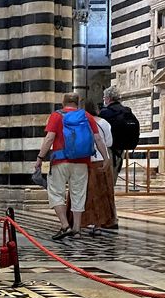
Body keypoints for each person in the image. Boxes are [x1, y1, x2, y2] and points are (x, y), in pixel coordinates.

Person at [35, 93, 110, 240]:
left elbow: (49, 138)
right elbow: (98, 138)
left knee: (56, 193)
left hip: (60, 161)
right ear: (78, 103)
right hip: (82, 162)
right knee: (78, 194)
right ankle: (76, 229)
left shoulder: (56, 116)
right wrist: (106, 157)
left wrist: (39, 158)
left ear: (63, 102)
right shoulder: (86, 116)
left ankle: (65, 226)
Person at [77, 99, 117, 233]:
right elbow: (109, 142)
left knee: (82, 192)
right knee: (101, 192)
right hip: (100, 160)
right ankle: (99, 224)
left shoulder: (78, 122)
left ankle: (78, 223)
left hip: (82, 160)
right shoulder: (103, 123)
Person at [99, 86, 139, 176]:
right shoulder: (127, 111)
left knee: (107, 180)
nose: (103, 100)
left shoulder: (105, 112)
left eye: (104, 98)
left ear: (108, 99)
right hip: (121, 150)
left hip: (109, 150)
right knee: (114, 177)